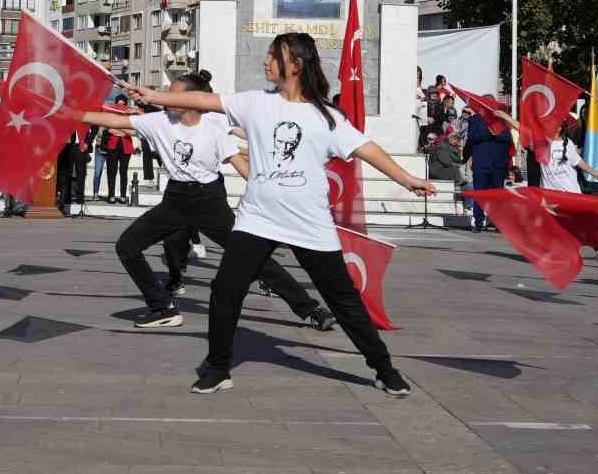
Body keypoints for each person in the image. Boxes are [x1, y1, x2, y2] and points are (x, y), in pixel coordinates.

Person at [128, 33, 436, 396]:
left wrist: (407, 178)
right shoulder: (255, 102)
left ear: (296, 64)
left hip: (309, 223)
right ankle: (218, 367)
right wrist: (154, 97)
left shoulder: (327, 117)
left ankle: (383, 368)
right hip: (257, 219)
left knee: (344, 300)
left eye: (274, 56)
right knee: (225, 289)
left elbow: (368, 149)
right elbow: (202, 99)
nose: (266, 62)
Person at [80, 70, 337, 332]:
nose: (167, 98)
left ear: (193, 99)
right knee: (127, 247)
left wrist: (274, 194)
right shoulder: (158, 122)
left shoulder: (214, 126)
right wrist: (67, 113)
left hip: (209, 201)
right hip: (175, 199)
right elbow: (112, 120)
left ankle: (311, 310)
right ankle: (162, 307)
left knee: (252, 257)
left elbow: (240, 165)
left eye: (174, 94)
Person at [536, 133, 598, 269]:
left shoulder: (568, 143)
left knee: (585, 227)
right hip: (552, 196)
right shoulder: (540, 143)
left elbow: (578, 161)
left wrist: (593, 172)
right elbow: (522, 129)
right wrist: (506, 118)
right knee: (555, 228)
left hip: (572, 195)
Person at [464, 102, 512, 231]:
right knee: (480, 194)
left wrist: (498, 134)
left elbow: (508, 138)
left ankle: (497, 223)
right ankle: (478, 222)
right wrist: (488, 133)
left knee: (498, 196)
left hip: (498, 164)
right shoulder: (474, 119)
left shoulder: (503, 118)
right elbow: (472, 137)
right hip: (481, 164)